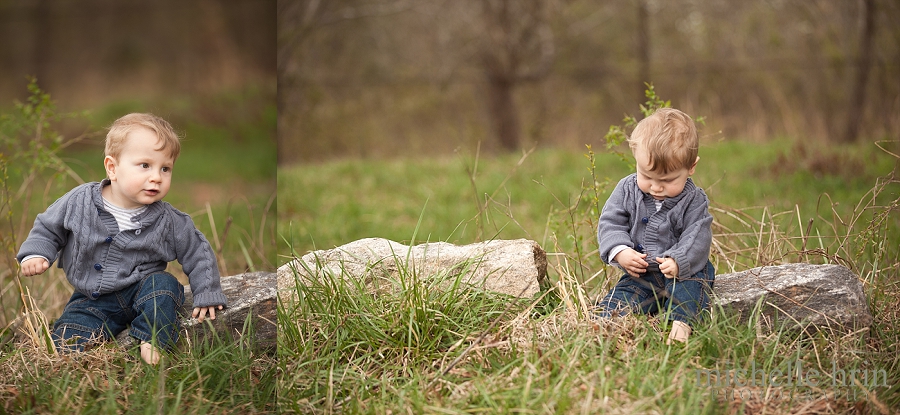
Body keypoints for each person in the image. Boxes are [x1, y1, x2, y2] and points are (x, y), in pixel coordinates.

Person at [17, 113, 227, 364]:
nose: (157, 177)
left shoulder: (169, 220)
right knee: (69, 338)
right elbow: (49, 227)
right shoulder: (79, 201)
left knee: (165, 286)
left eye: (165, 168)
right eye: (145, 165)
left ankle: (154, 339)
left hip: (143, 289)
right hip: (91, 298)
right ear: (112, 168)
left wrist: (207, 291)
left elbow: (197, 250)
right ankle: (74, 346)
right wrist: (37, 253)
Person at [595, 107, 714, 344]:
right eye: (647, 176)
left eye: (668, 180)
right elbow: (610, 222)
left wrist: (678, 261)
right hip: (642, 273)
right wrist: (621, 252)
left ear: (691, 167)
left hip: (684, 271)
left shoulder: (694, 200)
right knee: (621, 298)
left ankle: (681, 325)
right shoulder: (627, 189)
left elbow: (698, 234)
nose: (656, 187)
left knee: (692, 288)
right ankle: (607, 322)